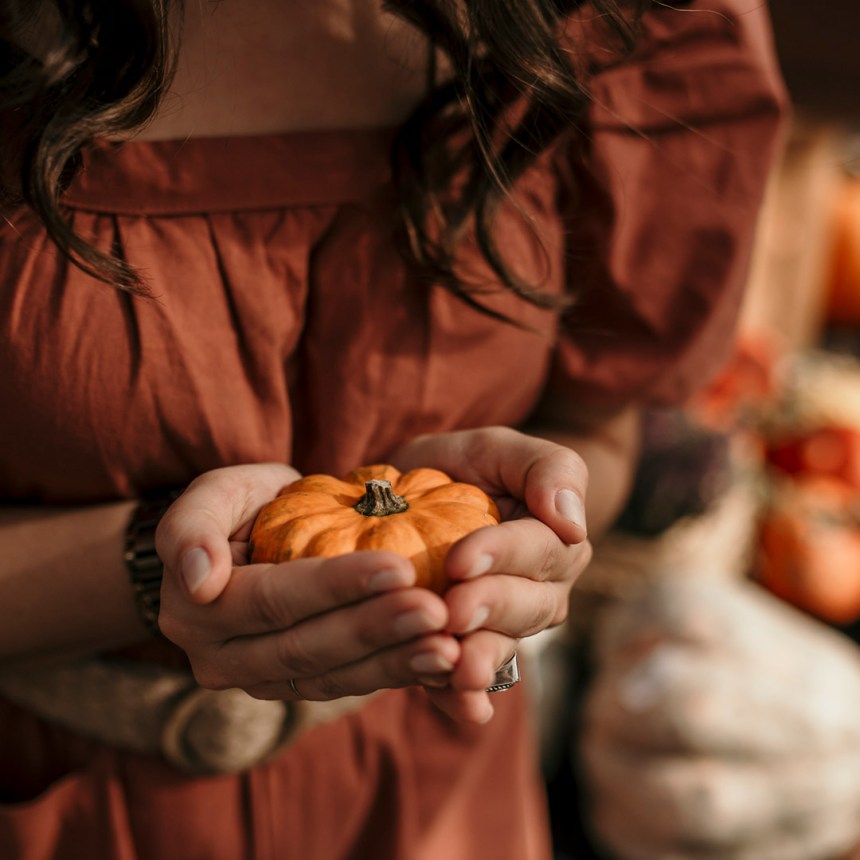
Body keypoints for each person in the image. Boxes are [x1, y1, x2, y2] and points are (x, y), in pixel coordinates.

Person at [0, 1, 786, 858]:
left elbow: (598, 421)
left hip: (436, 801)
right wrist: (150, 565)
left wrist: (538, 526)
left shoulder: (628, 14)